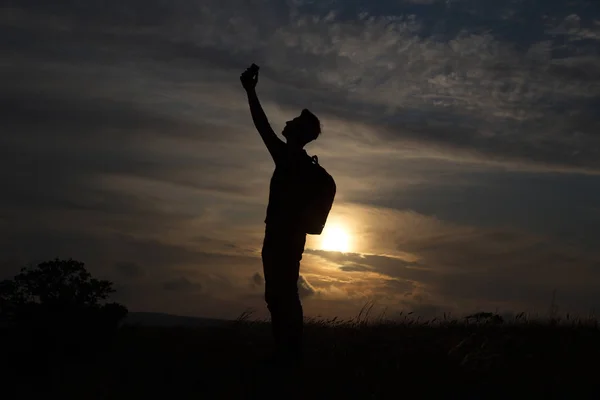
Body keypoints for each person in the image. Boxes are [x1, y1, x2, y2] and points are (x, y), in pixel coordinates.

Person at [240, 64, 322, 365]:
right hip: (285, 236)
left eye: (294, 121)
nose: (286, 122)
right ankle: (288, 353)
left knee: (281, 296)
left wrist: (250, 92)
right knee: (281, 295)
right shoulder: (296, 162)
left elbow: (262, 125)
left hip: (281, 237)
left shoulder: (289, 159)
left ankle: (288, 355)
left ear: (300, 133)